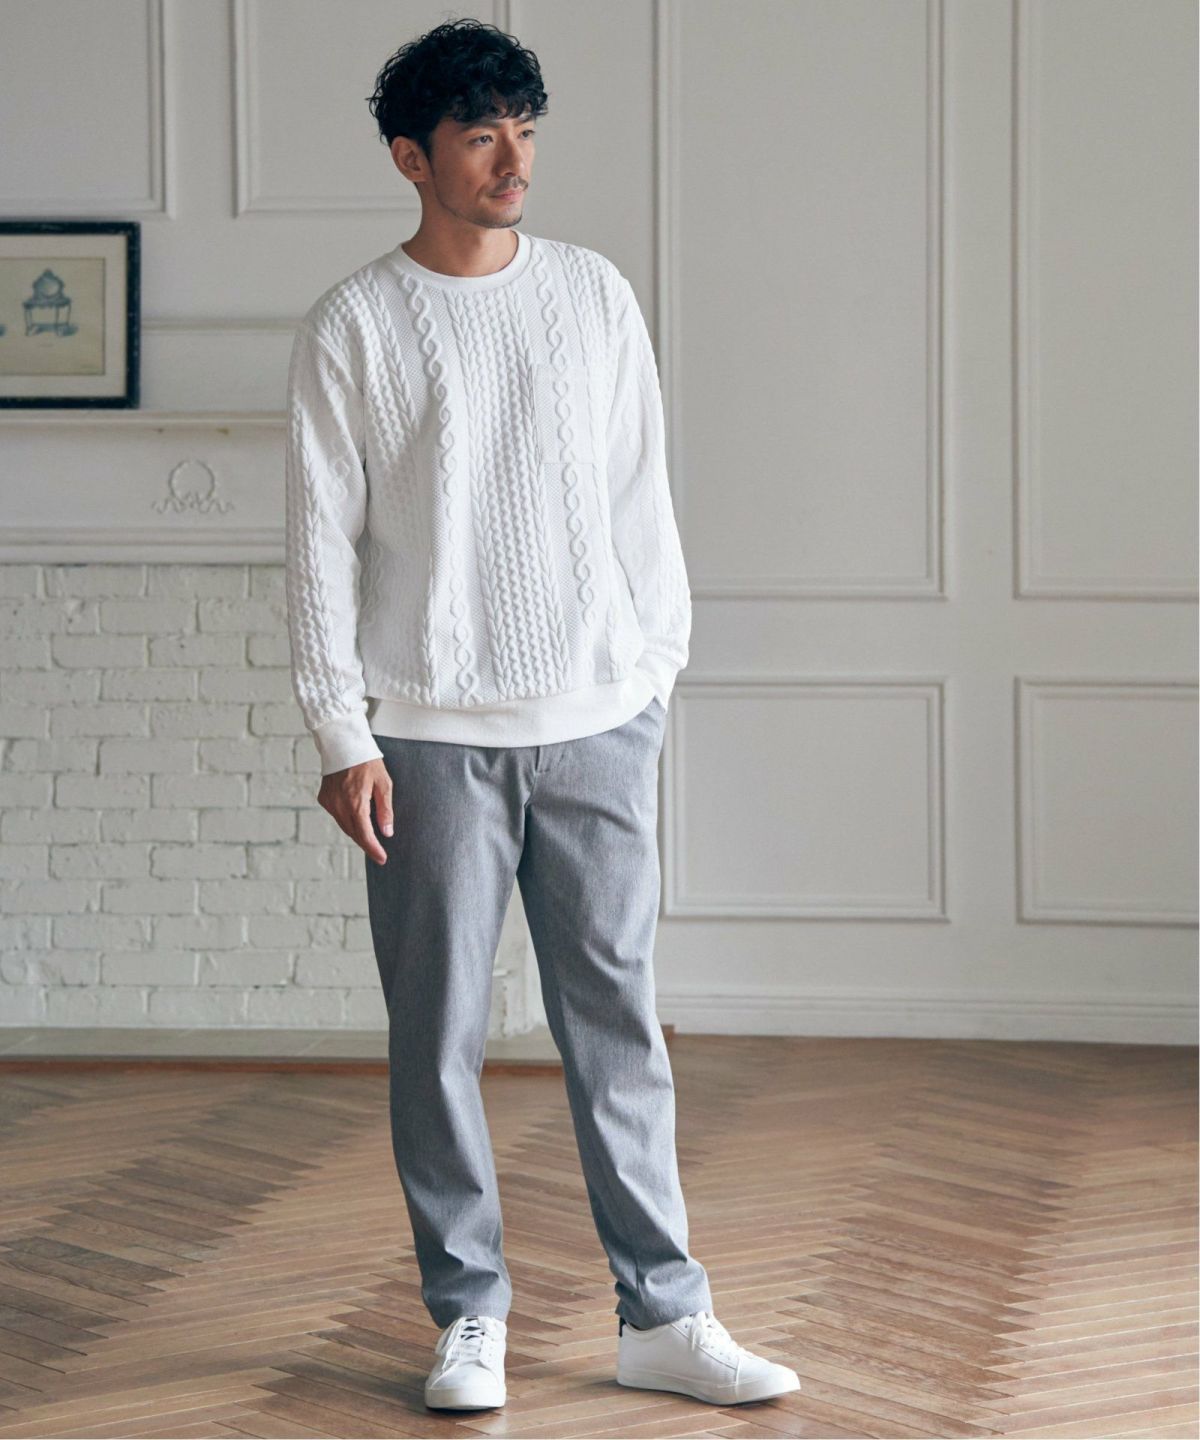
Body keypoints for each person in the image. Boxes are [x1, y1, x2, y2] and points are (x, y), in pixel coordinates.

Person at [283, 15, 801, 1415]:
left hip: (597, 723)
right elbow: (318, 546)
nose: (514, 159)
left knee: (620, 1030)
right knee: (438, 1038)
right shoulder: (353, 325)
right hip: (427, 737)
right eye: (480, 136)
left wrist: (650, 672)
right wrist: (342, 734)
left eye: (525, 129)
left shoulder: (593, 294)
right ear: (413, 159)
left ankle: (665, 1316)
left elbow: (641, 496)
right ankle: (469, 1316)